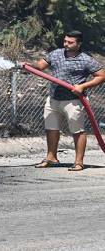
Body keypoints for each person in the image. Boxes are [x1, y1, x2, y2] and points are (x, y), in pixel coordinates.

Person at [23, 31, 105, 171]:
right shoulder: (56, 54)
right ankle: (51, 157)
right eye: (65, 41)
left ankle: (79, 162)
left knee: (77, 131)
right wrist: (29, 65)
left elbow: (101, 75)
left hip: (74, 101)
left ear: (79, 44)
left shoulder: (86, 59)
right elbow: (41, 65)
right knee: (51, 129)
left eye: (70, 42)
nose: (66, 44)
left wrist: (82, 86)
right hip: (54, 99)